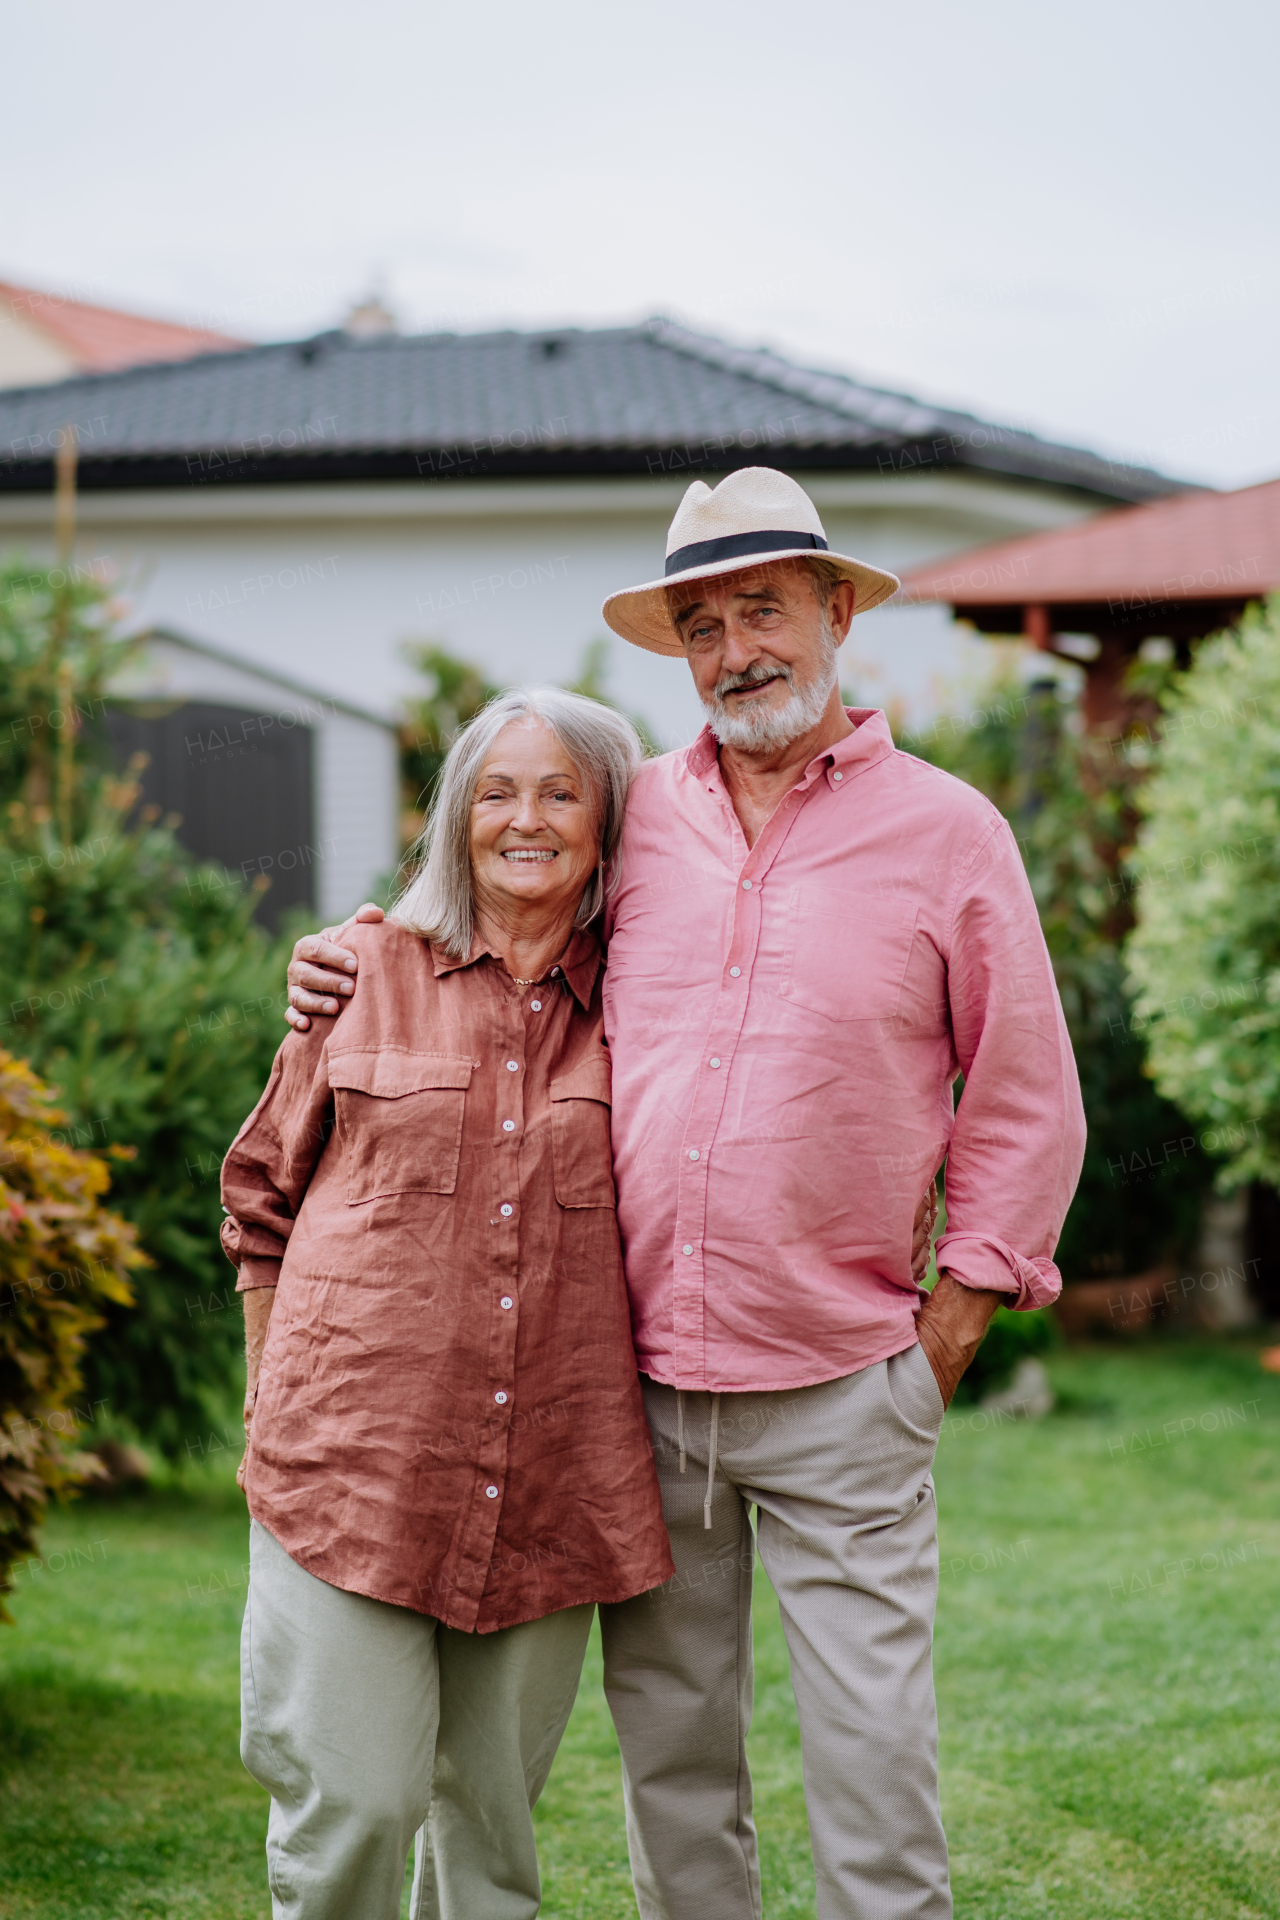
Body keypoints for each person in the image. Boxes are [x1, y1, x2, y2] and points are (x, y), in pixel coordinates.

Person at [286, 467, 1086, 1920]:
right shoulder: (634, 819)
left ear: (839, 613)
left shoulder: (952, 833)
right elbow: (492, 927)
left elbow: (1027, 1097)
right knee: (674, 1785)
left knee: (874, 1777)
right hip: (640, 1391)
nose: (737, 651)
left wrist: (952, 1327)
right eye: (704, 624)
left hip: (850, 1383)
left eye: (764, 610)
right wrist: (352, 946)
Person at [221, 688, 677, 1920]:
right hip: (348, 1467)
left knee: (492, 1841)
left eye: (559, 791)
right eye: (494, 790)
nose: (524, 819)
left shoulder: (648, 1011)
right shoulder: (358, 971)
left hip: (548, 1477)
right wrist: (271, 1397)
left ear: (608, 821)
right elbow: (260, 1198)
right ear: (453, 820)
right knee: (354, 1811)